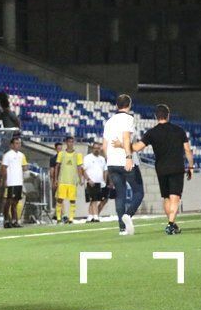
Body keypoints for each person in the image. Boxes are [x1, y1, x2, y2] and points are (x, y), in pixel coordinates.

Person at [121, 104, 194, 235]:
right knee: (175, 197)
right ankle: (171, 224)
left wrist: (122, 145)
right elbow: (188, 150)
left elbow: (136, 148)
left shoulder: (152, 132)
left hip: (161, 169)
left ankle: (171, 224)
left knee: (166, 197)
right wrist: (191, 166)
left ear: (156, 117)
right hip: (177, 167)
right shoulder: (179, 130)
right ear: (168, 115)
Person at [101, 94, 144, 236]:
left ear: (116, 105)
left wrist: (109, 161)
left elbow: (104, 146)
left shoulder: (109, 121)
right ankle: (128, 215)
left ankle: (122, 228)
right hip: (125, 160)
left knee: (120, 194)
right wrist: (128, 157)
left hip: (112, 162)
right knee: (138, 192)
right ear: (129, 105)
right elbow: (126, 137)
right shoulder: (128, 119)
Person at [54, 136, 84, 223]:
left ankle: (71, 218)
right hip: (62, 180)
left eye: (72, 142)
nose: (70, 143)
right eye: (69, 142)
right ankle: (58, 218)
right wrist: (55, 179)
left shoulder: (78, 155)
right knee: (60, 199)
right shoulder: (61, 154)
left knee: (72, 200)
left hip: (72, 181)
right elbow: (57, 166)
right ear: (66, 143)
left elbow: (79, 167)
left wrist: (81, 178)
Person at [0, 136, 27, 227]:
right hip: (11, 182)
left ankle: (15, 221)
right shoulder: (8, 155)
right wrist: (5, 180)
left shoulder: (21, 155)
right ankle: (6, 221)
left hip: (19, 182)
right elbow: (3, 168)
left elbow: (24, 167)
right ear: (12, 145)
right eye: (16, 143)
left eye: (19, 143)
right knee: (9, 202)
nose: (18, 145)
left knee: (15, 202)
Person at [82, 142, 109, 223]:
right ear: (92, 148)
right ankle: (96, 217)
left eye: (98, 148)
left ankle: (90, 217)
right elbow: (83, 170)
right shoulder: (87, 158)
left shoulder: (102, 159)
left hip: (100, 182)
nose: (97, 150)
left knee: (98, 199)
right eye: (95, 148)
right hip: (91, 182)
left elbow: (105, 170)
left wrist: (104, 180)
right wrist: (88, 179)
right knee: (94, 200)